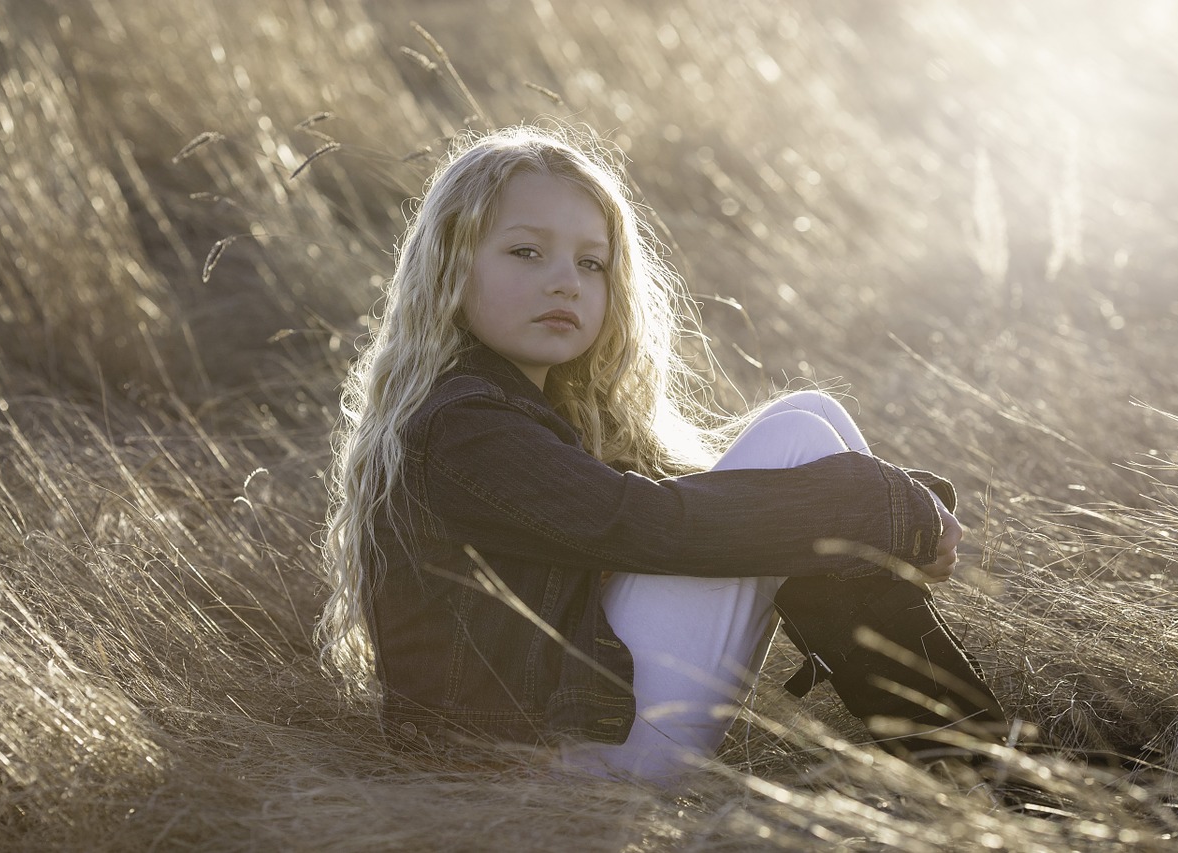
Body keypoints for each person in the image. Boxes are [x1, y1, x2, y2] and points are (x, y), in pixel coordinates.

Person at [319, 124, 1006, 784]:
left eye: (591, 262)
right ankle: (979, 764)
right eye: (526, 252)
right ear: (450, 263)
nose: (566, 281)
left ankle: (969, 761)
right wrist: (877, 507)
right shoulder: (466, 424)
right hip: (533, 766)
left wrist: (882, 507)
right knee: (800, 442)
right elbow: (646, 524)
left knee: (808, 419)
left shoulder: (509, 407)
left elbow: (655, 518)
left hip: (566, 737)